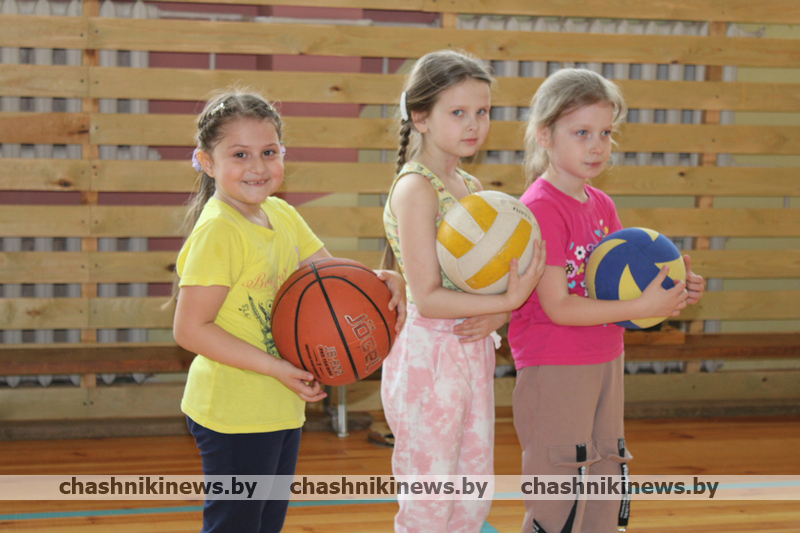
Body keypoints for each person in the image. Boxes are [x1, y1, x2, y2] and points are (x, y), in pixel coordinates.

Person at [172, 89, 406, 533]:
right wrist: (275, 367)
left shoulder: (281, 213)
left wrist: (384, 282)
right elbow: (190, 330)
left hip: (280, 404)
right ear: (207, 162)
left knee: (266, 524)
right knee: (236, 526)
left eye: (269, 152)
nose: (258, 166)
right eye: (239, 154)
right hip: (233, 411)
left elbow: (332, 283)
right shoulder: (219, 230)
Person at [509, 68, 706, 532]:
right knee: (559, 483)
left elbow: (620, 291)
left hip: (606, 357)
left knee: (605, 472)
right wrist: (640, 307)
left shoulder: (601, 204)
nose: (597, 146)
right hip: (555, 364)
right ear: (544, 135)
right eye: (582, 133)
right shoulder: (540, 208)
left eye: (605, 133)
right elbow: (558, 306)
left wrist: (673, 290)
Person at [381, 50, 546, 533]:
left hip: (471, 348)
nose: (474, 124)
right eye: (458, 112)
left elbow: (484, 284)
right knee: (430, 503)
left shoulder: (470, 184)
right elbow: (429, 295)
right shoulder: (415, 189)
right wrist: (508, 302)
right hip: (427, 356)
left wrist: (500, 312)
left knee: (472, 497)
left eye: (482, 111)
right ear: (421, 117)